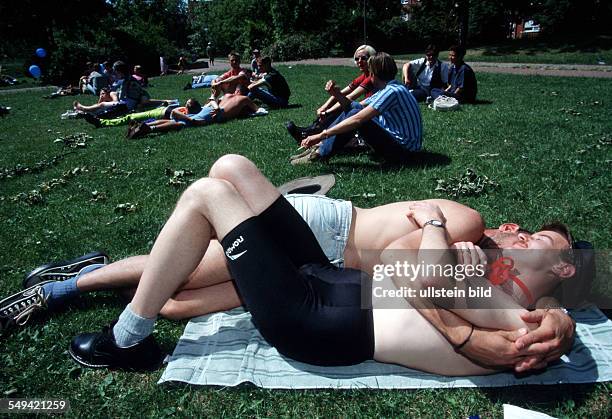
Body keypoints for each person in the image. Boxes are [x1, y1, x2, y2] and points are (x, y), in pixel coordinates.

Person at [3, 157, 579, 374]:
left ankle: (124, 336)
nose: (524, 237)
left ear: (564, 269)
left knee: (207, 199)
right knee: (228, 169)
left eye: (543, 247)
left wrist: (432, 230)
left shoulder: (522, 303)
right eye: (527, 233)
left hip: (323, 316)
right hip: (332, 280)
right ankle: (88, 293)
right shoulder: (506, 285)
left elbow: (416, 275)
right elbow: (410, 276)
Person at [292, 52, 422, 165]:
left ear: (373, 74)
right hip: (404, 148)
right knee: (354, 110)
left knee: (357, 117)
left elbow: (358, 119)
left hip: (405, 153)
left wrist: (321, 135)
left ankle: (320, 153)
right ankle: (319, 150)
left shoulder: (392, 92)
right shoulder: (393, 87)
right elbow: (355, 106)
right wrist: (336, 94)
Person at [286, 45, 377, 143]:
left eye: (363, 58)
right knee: (340, 103)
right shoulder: (364, 76)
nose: (359, 61)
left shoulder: (371, 77)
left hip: (373, 115)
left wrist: (327, 112)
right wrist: (324, 107)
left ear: (371, 59)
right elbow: (342, 93)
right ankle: (311, 130)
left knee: (344, 106)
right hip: (368, 111)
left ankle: (312, 133)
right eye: (357, 58)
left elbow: (350, 97)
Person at [125, 96, 266, 139]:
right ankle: (147, 128)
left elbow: (212, 99)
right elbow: (213, 100)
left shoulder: (226, 97)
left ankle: (146, 126)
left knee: (177, 121)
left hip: (203, 114)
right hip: (204, 115)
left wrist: (215, 104)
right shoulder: (236, 99)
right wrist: (257, 110)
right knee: (180, 123)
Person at [73, 61, 149, 116]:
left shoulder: (125, 82)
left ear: (119, 72)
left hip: (126, 105)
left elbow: (121, 97)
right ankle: (87, 109)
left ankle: (84, 109)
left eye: (115, 72)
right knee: (107, 96)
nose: (115, 74)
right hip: (128, 102)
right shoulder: (129, 78)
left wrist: (111, 97)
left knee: (103, 104)